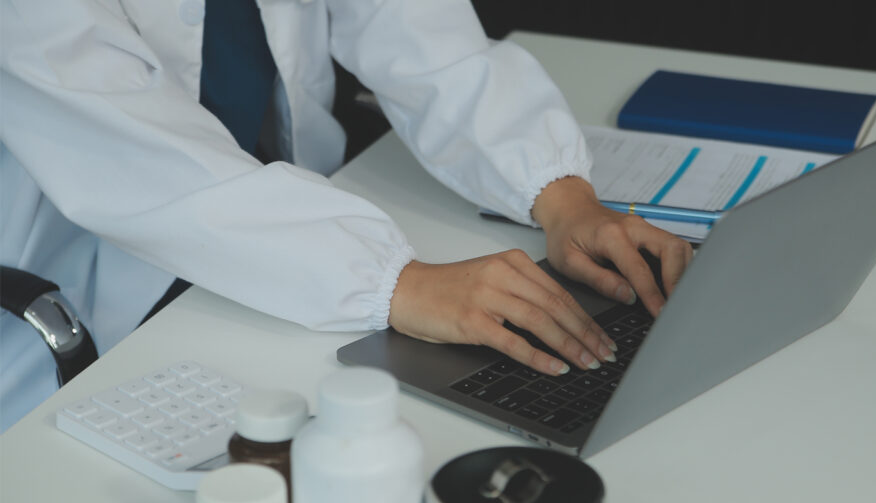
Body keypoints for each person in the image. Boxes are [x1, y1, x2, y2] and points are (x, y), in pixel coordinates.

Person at [0, 0, 691, 431]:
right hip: (98, 298)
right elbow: (134, 154)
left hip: (298, 259)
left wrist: (561, 195)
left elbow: (419, 30)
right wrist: (399, 281)